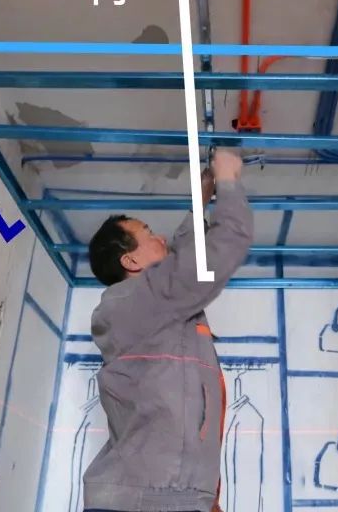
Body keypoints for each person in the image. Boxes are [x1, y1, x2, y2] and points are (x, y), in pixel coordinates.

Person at [83, 148, 253, 512]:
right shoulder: (134, 301)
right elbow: (219, 251)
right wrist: (228, 180)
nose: (161, 237)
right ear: (130, 260)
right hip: (153, 500)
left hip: (166, 497)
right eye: (149, 235)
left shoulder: (151, 308)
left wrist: (199, 203)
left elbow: (184, 261)